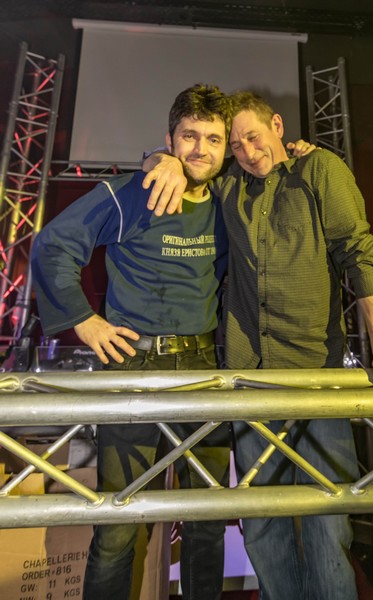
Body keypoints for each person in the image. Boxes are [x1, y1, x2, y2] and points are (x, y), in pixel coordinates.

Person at [142, 90, 373, 600]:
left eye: (254, 137)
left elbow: (358, 255)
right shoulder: (228, 185)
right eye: (236, 145)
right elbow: (189, 162)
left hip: (317, 378)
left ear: (277, 125)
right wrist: (159, 159)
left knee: (327, 525)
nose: (248, 152)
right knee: (262, 528)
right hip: (251, 382)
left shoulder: (320, 170)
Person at [30, 84, 233, 600]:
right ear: (170, 139)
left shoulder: (231, 202)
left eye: (213, 138)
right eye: (189, 136)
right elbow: (52, 245)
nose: (200, 149)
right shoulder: (132, 193)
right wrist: (84, 321)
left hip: (204, 367)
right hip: (134, 367)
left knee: (208, 519)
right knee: (119, 524)